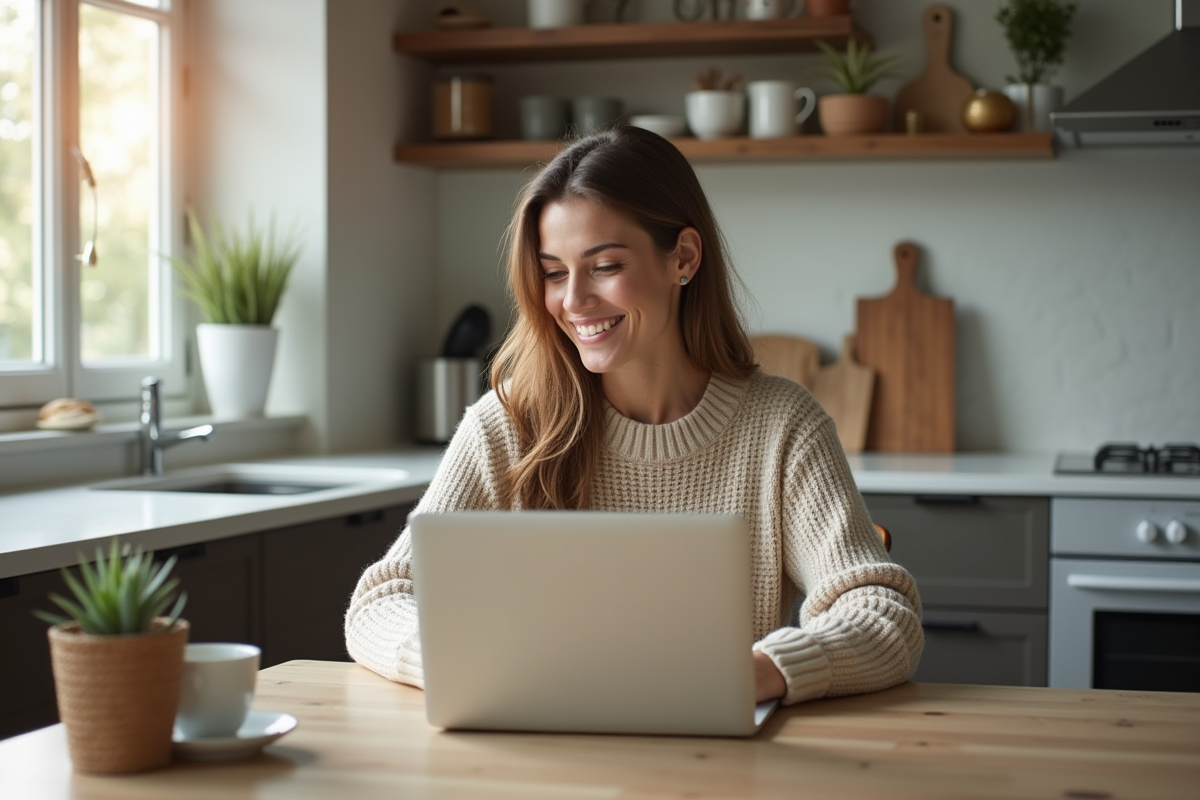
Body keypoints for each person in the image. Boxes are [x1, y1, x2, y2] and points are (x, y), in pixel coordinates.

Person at [345, 125, 923, 705]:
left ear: (683, 258)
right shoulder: (510, 422)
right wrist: (458, 660)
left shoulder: (782, 428)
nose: (573, 301)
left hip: (714, 750)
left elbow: (882, 613)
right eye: (554, 272)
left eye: (604, 266)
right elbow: (380, 602)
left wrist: (764, 670)